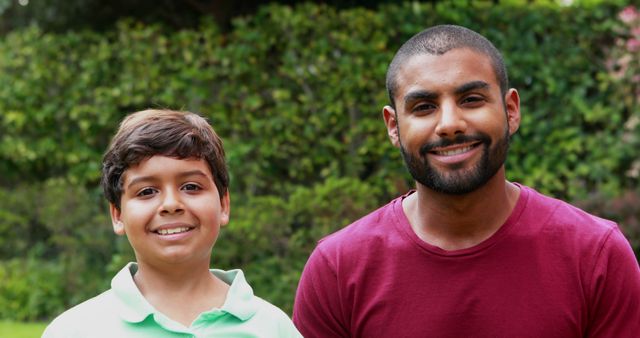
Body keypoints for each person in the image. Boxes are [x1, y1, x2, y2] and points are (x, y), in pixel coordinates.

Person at [293, 25, 640, 337]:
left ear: (511, 110)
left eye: (471, 100)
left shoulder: (595, 256)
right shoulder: (338, 268)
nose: (449, 124)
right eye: (424, 106)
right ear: (394, 127)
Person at [43, 109, 302, 337]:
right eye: (146, 191)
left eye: (191, 186)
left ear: (223, 205)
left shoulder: (273, 328)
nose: (171, 204)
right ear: (118, 215)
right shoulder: (74, 330)